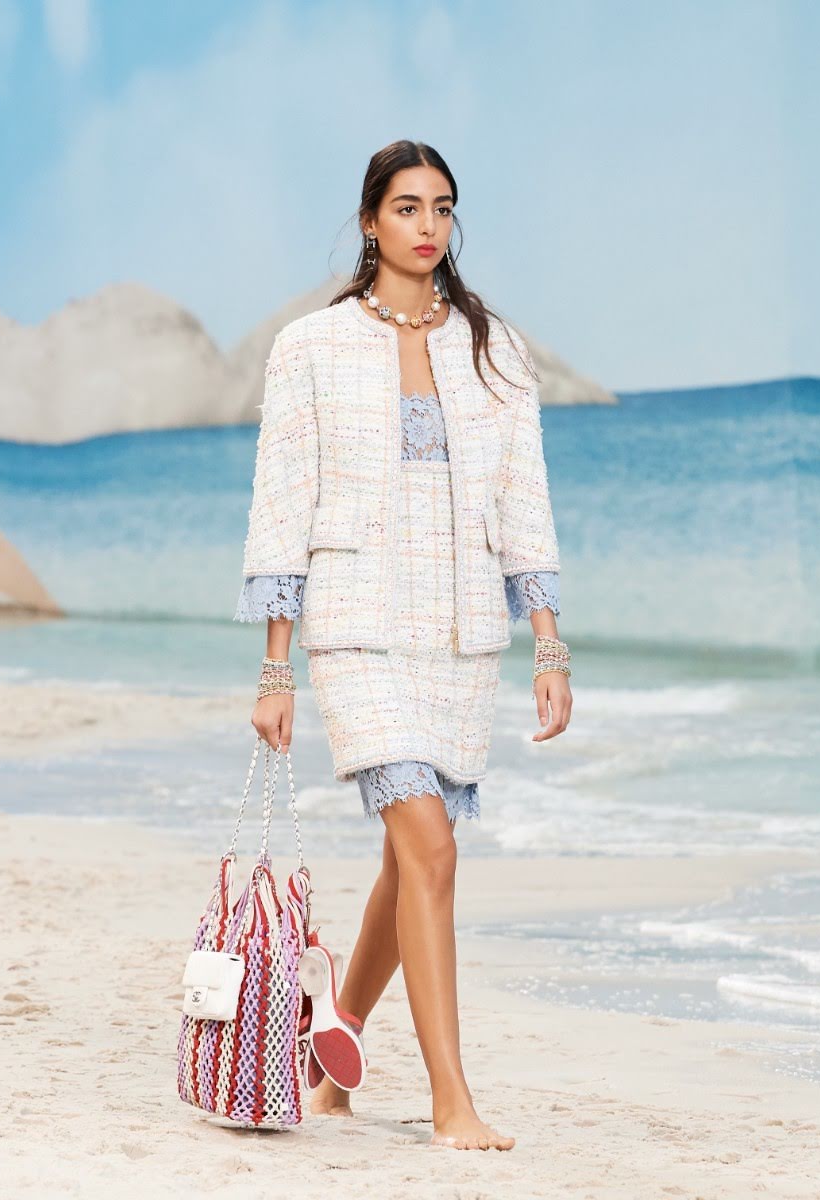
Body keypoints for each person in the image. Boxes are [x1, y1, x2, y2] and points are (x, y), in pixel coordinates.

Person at [234, 140, 572, 1151]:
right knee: (430, 845)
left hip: (461, 636)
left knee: (409, 856)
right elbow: (283, 502)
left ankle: (326, 1053)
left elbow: (524, 500)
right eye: (407, 207)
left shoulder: (495, 351)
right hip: (357, 629)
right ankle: (450, 1101)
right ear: (370, 221)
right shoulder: (312, 347)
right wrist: (276, 667)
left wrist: (548, 643)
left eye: (443, 208)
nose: (428, 225)